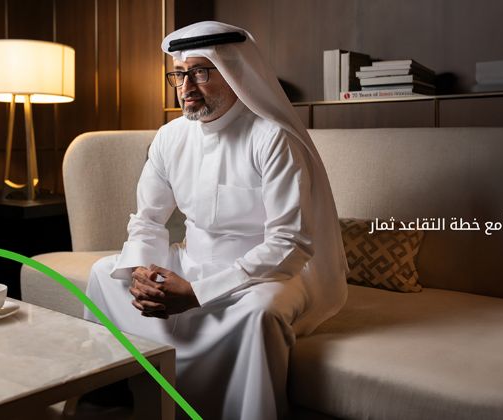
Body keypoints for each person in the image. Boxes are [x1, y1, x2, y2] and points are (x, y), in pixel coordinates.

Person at [83, 21, 348, 419]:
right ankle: (111, 399)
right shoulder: (170, 137)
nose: (186, 87)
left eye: (200, 73)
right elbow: (148, 220)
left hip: (266, 276)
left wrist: (197, 293)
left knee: (260, 314)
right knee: (104, 274)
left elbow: (289, 243)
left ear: (234, 72)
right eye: (179, 74)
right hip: (191, 260)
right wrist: (142, 272)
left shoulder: (272, 137)